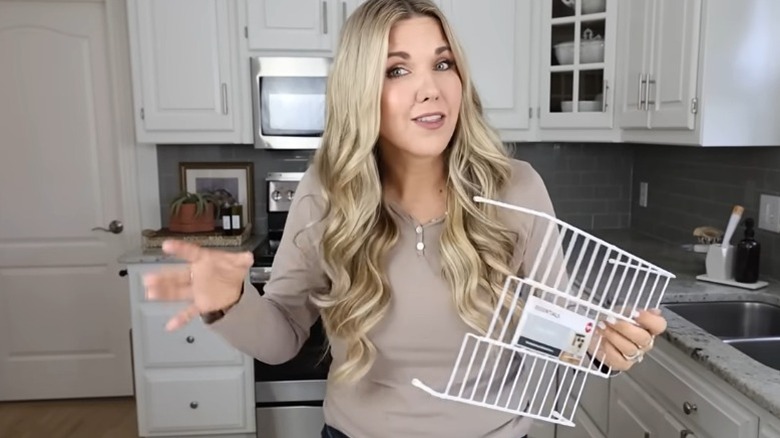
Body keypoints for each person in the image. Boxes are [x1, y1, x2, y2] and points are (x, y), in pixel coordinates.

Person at [142, 0, 668, 437]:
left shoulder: (517, 187)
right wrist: (231, 303)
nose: (430, 89)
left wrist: (597, 345)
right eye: (397, 70)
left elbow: (553, 324)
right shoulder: (326, 192)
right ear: (361, 91)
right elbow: (282, 340)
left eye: (442, 64)